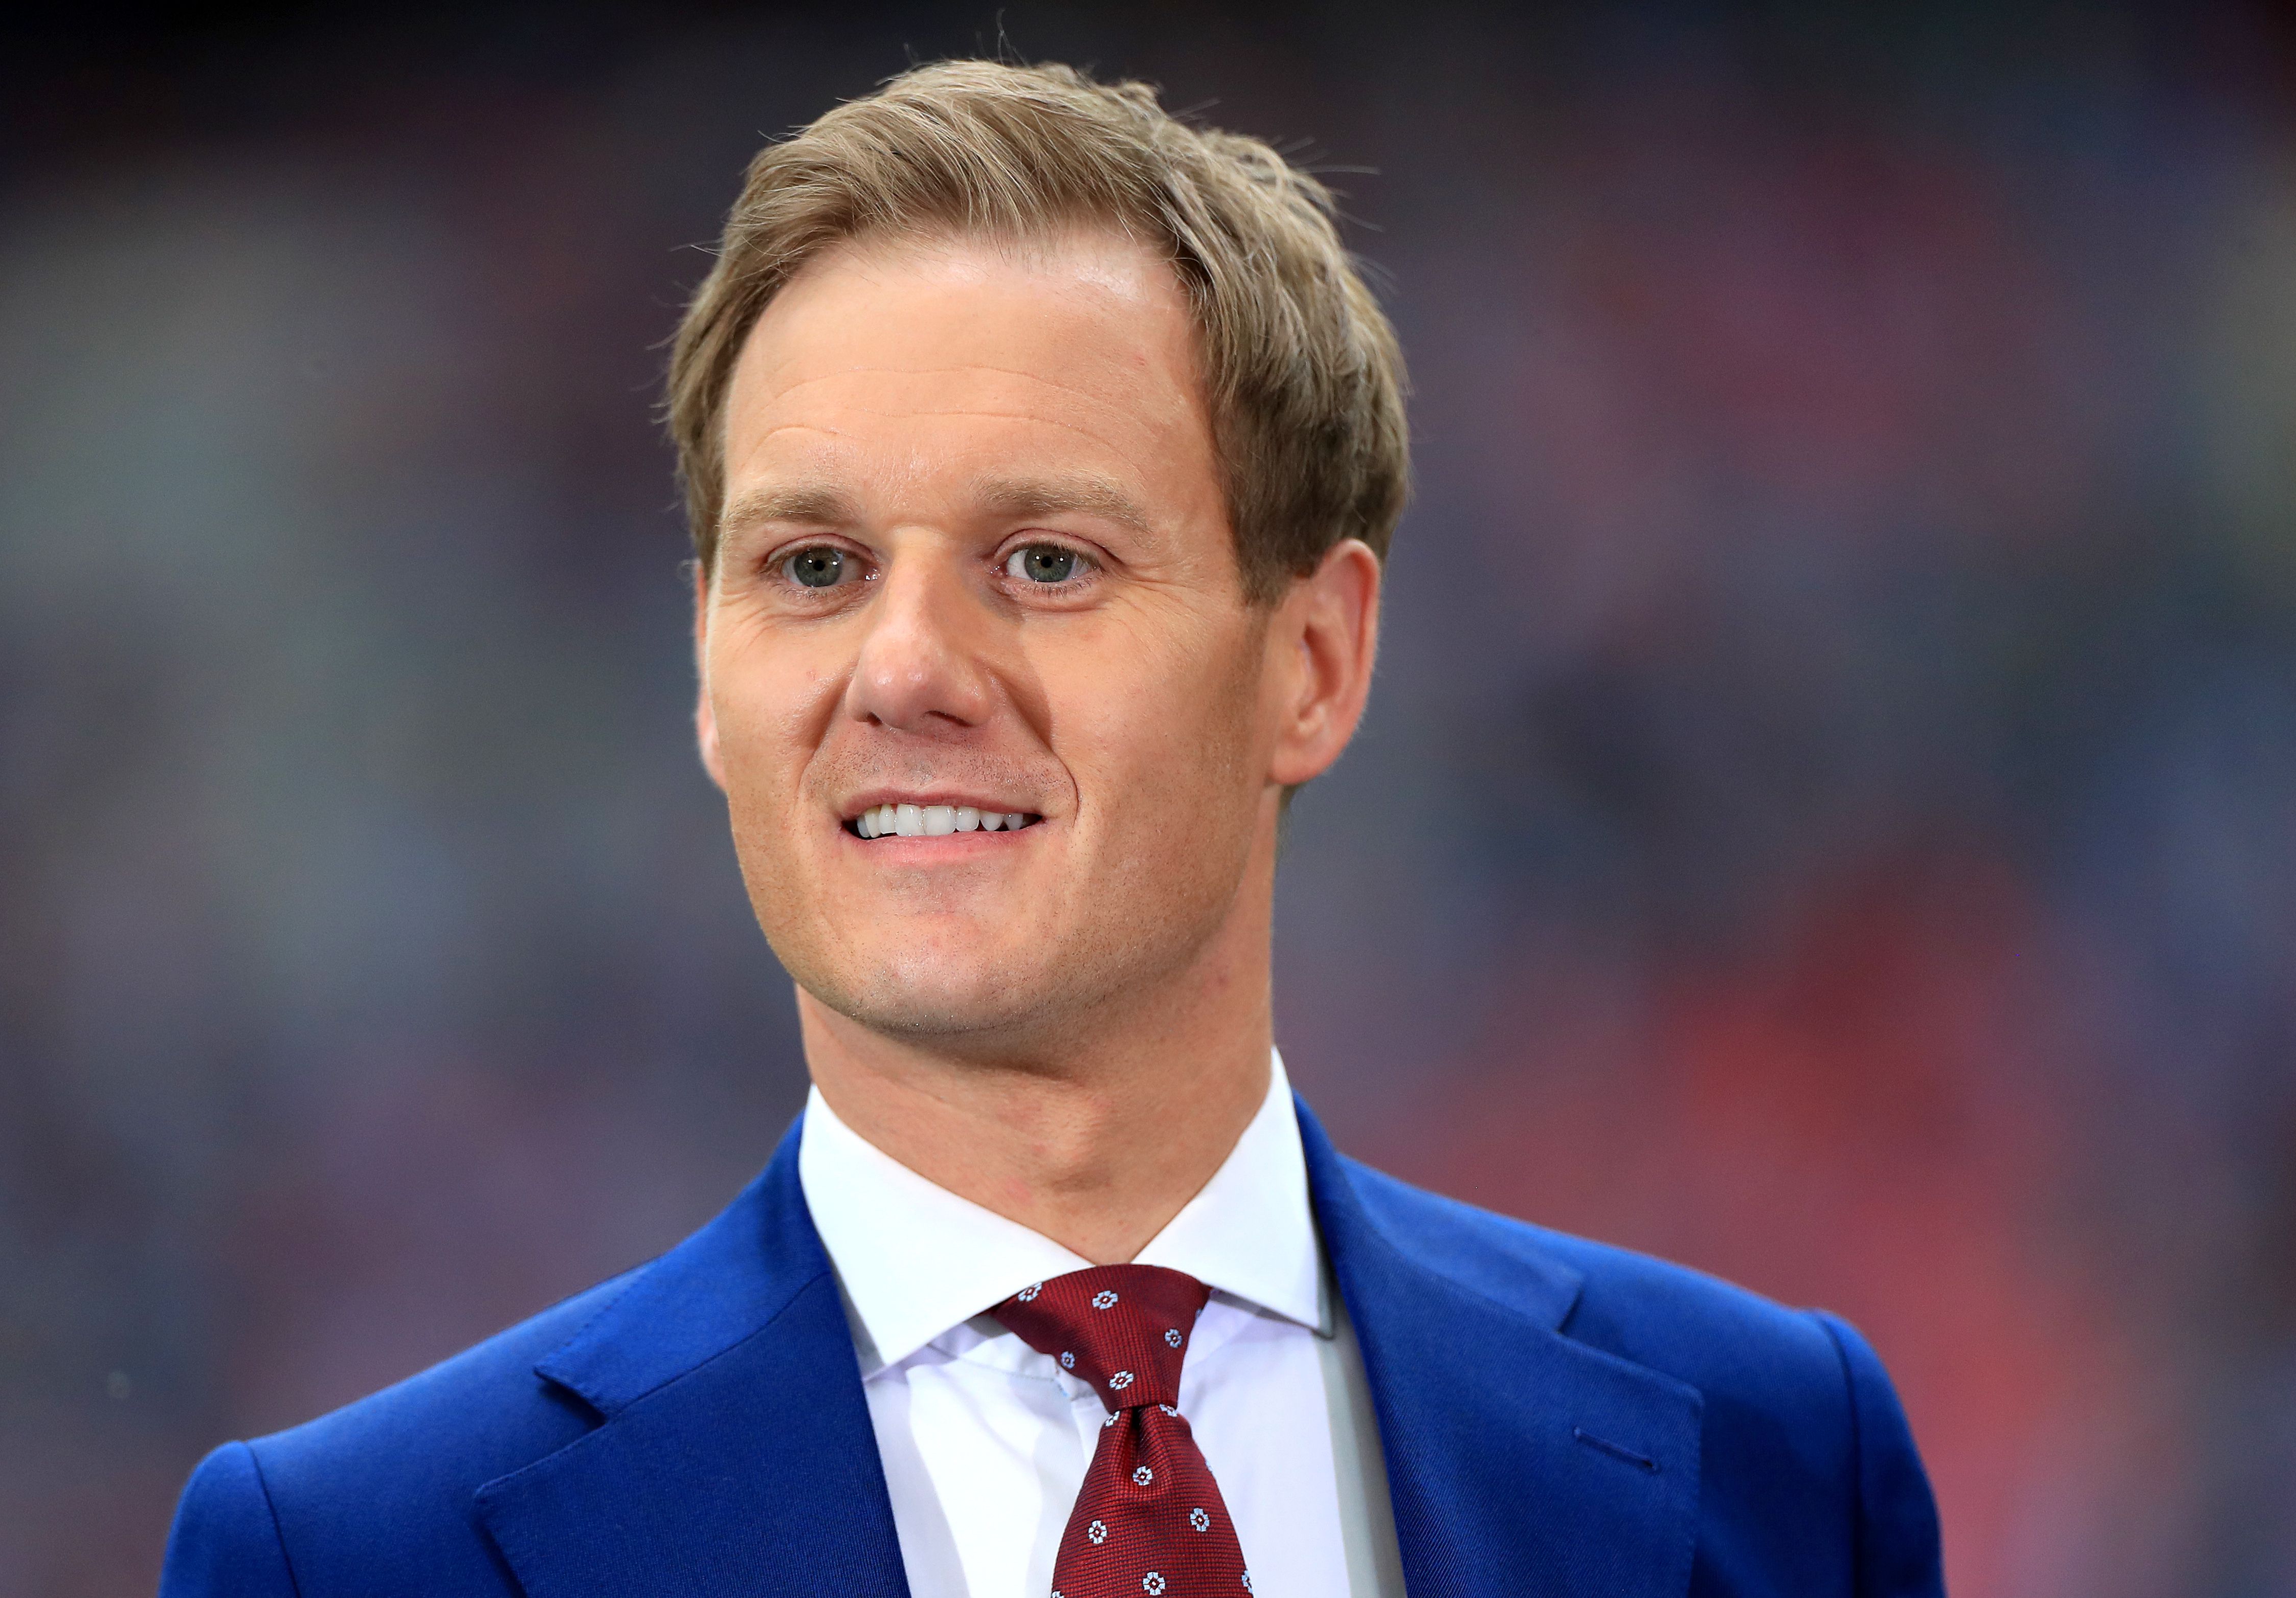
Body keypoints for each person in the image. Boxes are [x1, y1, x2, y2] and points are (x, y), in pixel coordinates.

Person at [159, 59, 1944, 1598]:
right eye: (814, 567)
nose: (908, 668)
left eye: (1046, 562)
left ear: (1312, 661)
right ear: (707, 669)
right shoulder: (350, 1556)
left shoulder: (1777, 1462)